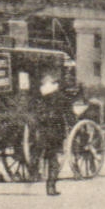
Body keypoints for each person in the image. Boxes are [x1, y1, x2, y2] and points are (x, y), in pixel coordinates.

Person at [32, 67, 73, 196]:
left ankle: (34, 173)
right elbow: (70, 115)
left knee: (42, 155)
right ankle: (51, 186)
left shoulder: (40, 98)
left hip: (42, 132)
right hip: (56, 133)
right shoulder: (61, 98)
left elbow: (36, 114)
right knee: (53, 160)